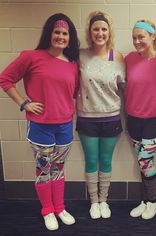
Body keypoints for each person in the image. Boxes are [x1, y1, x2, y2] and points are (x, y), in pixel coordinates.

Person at [0, 13, 80, 231]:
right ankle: (47, 210)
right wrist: (24, 102)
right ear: (49, 34)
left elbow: (73, 92)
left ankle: (60, 207)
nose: (61, 37)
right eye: (57, 32)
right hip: (40, 126)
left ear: (69, 38)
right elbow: (5, 79)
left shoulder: (73, 64)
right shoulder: (31, 56)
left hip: (64, 125)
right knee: (44, 169)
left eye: (65, 33)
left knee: (59, 169)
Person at [76, 11, 125, 219]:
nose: (100, 32)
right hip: (87, 117)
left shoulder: (118, 56)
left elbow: (125, 87)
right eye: (96, 28)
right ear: (90, 31)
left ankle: (104, 200)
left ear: (109, 32)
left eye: (104, 29)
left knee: (105, 161)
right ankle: (93, 202)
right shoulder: (80, 55)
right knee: (91, 160)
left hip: (111, 117)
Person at [124, 19, 156, 219]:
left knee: (145, 160)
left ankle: (154, 200)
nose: (137, 41)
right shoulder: (129, 59)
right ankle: (146, 200)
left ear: (153, 36)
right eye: (134, 37)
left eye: (141, 36)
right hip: (133, 118)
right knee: (142, 160)